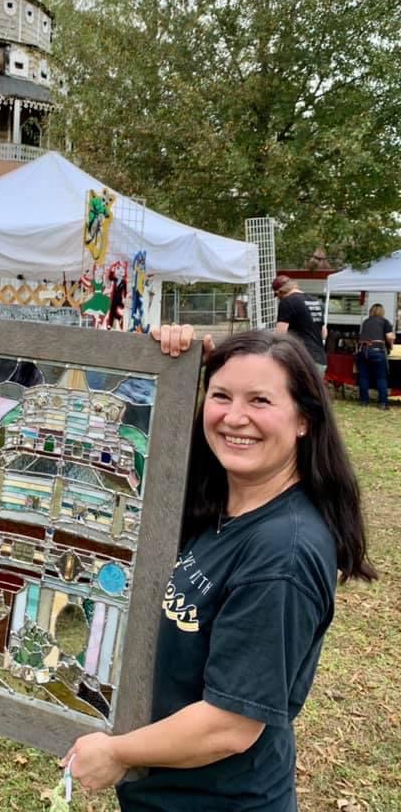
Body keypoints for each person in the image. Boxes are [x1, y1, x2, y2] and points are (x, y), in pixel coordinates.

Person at [63, 323, 376, 811]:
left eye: (260, 401)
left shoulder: (282, 554)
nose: (235, 417)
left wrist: (117, 751)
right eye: (221, 395)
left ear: (303, 420)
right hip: (166, 793)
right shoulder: (218, 506)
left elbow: (229, 726)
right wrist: (175, 367)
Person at [272, 274, 328, 374]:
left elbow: (280, 334)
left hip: (301, 359)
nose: (279, 298)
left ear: (280, 291)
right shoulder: (317, 302)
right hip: (320, 360)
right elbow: (324, 334)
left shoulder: (287, 302)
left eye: (278, 296)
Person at [356, 303, 395, 410]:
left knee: (364, 377)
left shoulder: (366, 322)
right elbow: (390, 337)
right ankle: (383, 403)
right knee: (381, 377)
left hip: (363, 351)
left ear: (371, 311)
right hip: (377, 351)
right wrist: (391, 346)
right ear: (382, 312)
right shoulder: (384, 321)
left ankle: (364, 401)